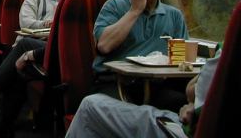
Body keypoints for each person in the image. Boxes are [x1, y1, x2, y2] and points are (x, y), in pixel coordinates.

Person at [0, 0, 70, 137]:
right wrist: (46, 24)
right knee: (19, 70)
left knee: (24, 47)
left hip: (58, 50)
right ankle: (3, 126)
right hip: (40, 47)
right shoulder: (34, 0)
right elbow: (26, 23)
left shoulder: (73, 1)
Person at [93, 0, 188, 109]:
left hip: (156, 85)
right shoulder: (114, 6)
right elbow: (104, 45)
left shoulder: (174, 16)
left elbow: (180, 59)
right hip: (115, 82)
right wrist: (134, 11)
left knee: (187, 103)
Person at [66, 51, 220, 137]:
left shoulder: (174, 16)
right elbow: (103, 47)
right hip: (119, 80)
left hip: (191, 130)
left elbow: (192, 91)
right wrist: (134, 12)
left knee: (90, 105)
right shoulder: (113, 8)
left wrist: (193, 103)